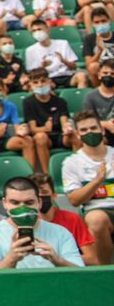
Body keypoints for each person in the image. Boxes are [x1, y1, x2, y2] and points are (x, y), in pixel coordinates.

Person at [0, 176, 84, 269]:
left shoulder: (61, 232)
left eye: (29, 202)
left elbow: (80, 274)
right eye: (15, 202)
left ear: (39, 203)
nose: (22, 207)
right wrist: (11, 258)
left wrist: (57, 259)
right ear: (5, 203)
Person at [61, 111, 114, 265]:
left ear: (102, 130)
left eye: (93, 128)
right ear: (77, 134)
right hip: (98, 210)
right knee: (96, 219)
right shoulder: (72, 162)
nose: (89, 132)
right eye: (84, 130)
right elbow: (74, 200)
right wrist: (97, 181)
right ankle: (105, 271)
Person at [32, 172, 100, 266]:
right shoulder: (24, 222)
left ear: (54, 196)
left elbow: (92, 259)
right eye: (36, 194)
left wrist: (56, 258)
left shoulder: (72, 219)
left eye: (44, 192)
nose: (40, 198)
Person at [22, 68, 78, 173]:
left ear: (49, 81)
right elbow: (33, 129)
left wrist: (67, 128)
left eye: (43, 81)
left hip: (60, 135)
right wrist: (45, 128)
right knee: (40, 136)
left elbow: (64, 121)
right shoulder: (28, 102)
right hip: (45, 137)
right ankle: (47, 174)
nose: (40, 85)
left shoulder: (60, 101)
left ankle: (79, 170)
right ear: (31, 84)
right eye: (35, 82)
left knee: (75, 136)